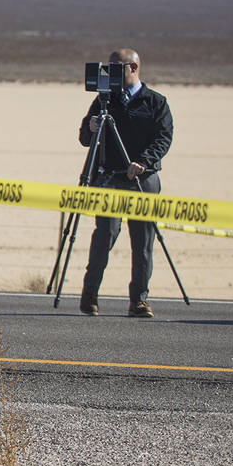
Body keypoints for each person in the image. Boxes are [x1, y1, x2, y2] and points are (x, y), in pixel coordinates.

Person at [79, 48, 173, 318]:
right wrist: (92, 127)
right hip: (109, 178)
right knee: (103, 236)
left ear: (133, 68)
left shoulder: (155, 102)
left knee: (142, 242)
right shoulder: (104, 102)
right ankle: (89, 295)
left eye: (117, 68)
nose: (111, 73)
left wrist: (143, 161)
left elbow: (163, 138)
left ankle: (139, 300)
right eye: (108, 68)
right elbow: (85, 137)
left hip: (142, 179)